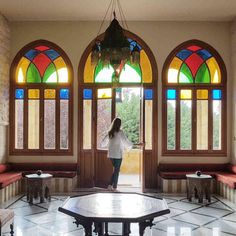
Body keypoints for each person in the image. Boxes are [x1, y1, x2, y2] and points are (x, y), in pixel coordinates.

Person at [101, 117, 133, 191]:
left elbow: (103, 143)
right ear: (120, 124)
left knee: (116, 170)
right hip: (118, 154)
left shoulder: (110, 132)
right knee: (116, 171)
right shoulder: (120, 132)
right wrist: (131, 145)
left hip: (111, 155)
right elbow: (125, 141)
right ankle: (114, 187)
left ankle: (110, 185)